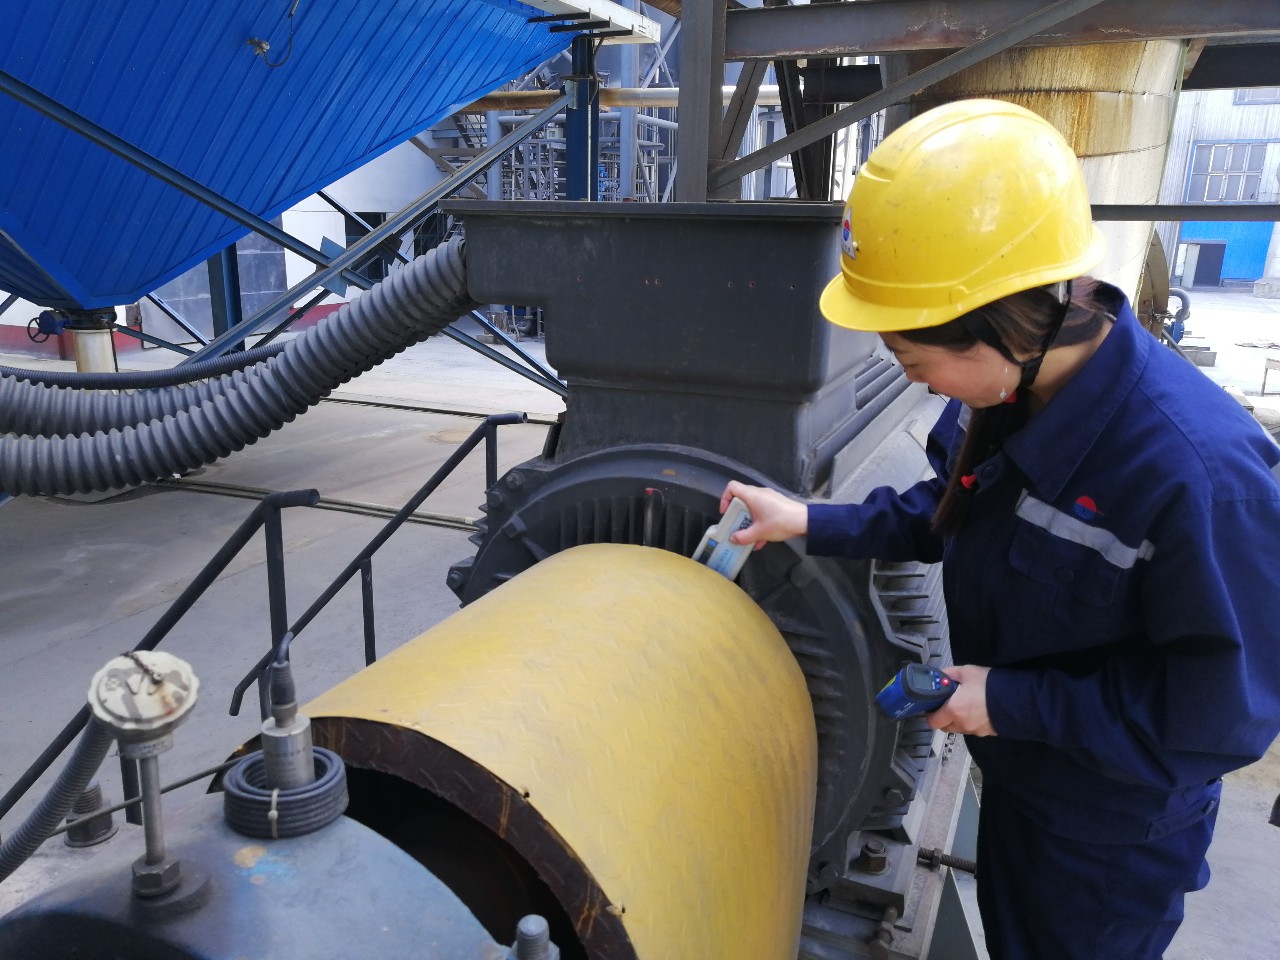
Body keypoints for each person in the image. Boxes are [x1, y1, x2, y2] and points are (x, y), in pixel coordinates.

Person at [722, 98, 1280, 960]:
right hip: (1025, 779)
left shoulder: (1197, 477)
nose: (919, 382)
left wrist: (1009, 701)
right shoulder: (1011, 392)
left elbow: (1218, 718)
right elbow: (949, 509)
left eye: (915, 360)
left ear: (991, 328)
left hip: (1107, 840)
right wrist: (806, 519)